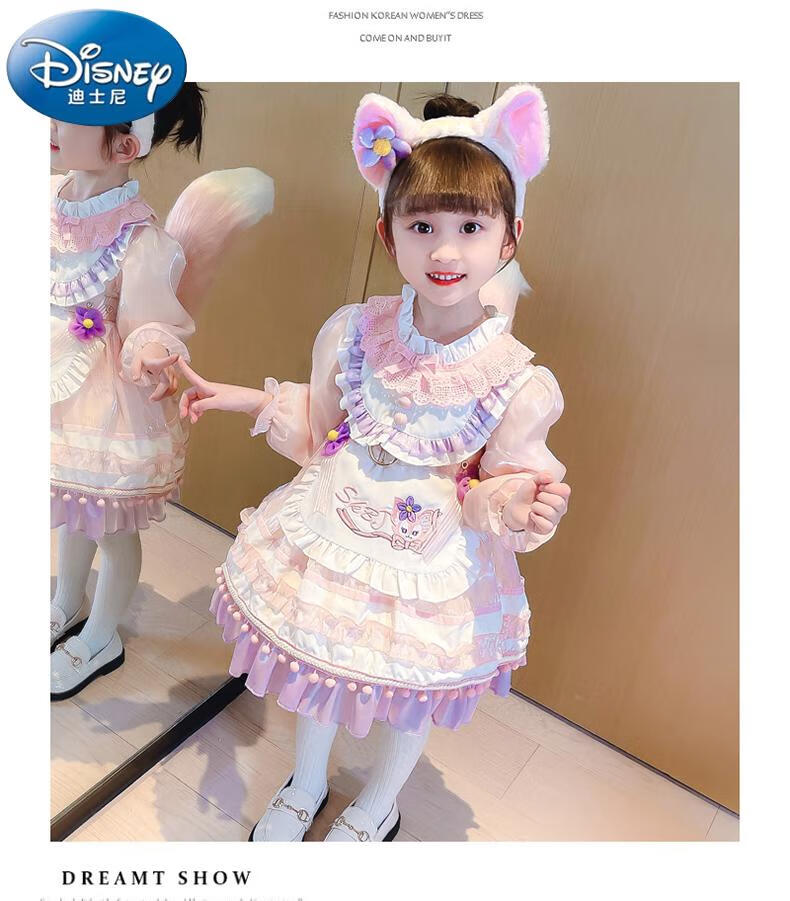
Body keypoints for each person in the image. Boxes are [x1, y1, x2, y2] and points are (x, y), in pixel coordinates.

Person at [178, 84, 571, 842]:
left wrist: (519, 504)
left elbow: (498, 490)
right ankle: (305, 782)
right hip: (337, 529)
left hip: (435, 562)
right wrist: (240, 397)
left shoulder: (517, 380)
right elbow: (323, 424)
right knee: (320, 666)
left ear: (510, 237)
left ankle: (378, 802)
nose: (445, 251)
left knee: (411, 693)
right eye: (422, 225)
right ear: (390, 236)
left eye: (470, 226)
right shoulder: (355, 331)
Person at [50, 84, 274, 700]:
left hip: (103, 399)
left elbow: (149, 318)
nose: (53, 125)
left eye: (72, 119)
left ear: (125, 146)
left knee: (109, 524)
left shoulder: (140, 239)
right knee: (71, 507)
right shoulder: (47, 199)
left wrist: (151, 348)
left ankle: (101, 635)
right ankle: (65, 601)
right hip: (50, 377)